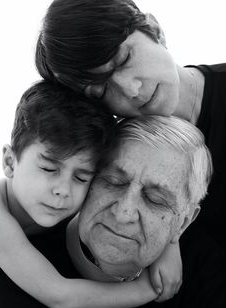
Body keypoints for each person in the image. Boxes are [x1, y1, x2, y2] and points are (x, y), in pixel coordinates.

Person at [35, 0, 226, 255]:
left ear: (154, 29)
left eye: (124, 58)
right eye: (102, 90)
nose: (131, 90)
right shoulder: (115, 154)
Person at [0, 116, 226, 308]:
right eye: (113, 182)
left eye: (155, 199)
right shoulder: (12, 272)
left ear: (183, 223)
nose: (123, 213)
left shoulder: (207, 272)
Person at [0, 80, 159, 308]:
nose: (64, 190)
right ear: (10, 162)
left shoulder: (73, 208)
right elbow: (60, 296)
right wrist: (148, 289)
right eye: (49, 169)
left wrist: (168, 248)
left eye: (81, 178)